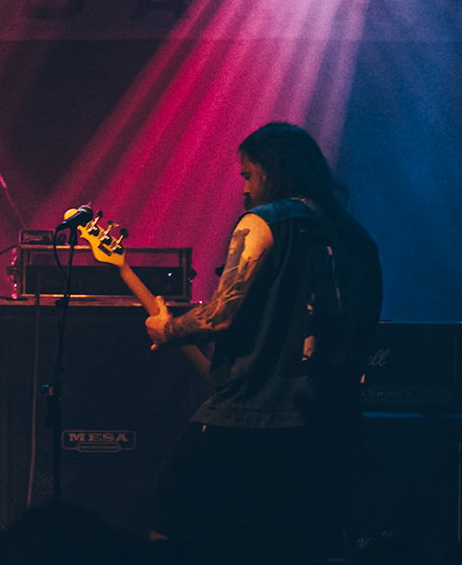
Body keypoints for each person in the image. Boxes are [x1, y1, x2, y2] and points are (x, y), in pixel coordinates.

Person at [145, 121, 383, 562]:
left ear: (273, 172)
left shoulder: (261, 223)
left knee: (169, 524)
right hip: (331, 423)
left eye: (248, 176)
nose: (245, 189)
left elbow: (220, 317)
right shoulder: (358, 238)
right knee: (303, 544)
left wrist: (167, 329)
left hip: (249, 416)